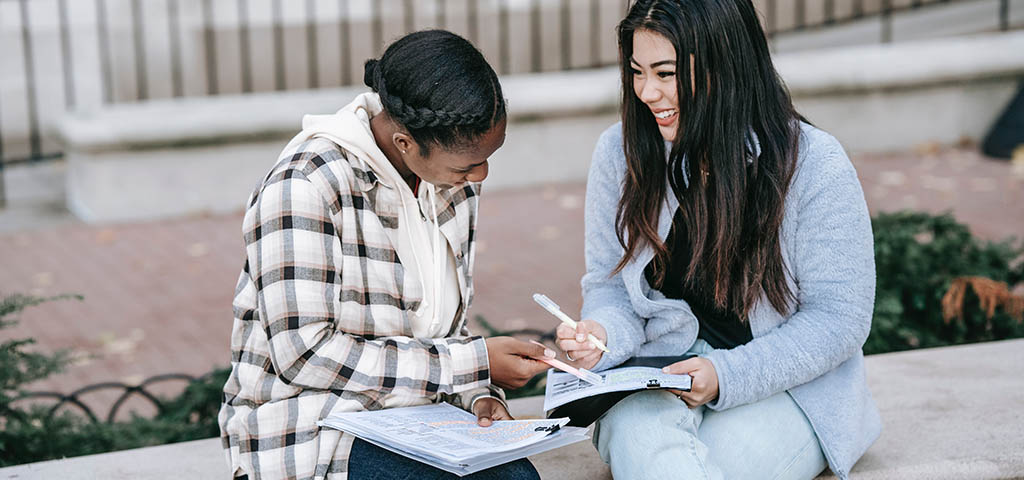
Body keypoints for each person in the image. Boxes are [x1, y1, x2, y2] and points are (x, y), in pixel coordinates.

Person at [555, 1, 881, 479]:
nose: (647, 92)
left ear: (724, 66)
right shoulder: (620, 153)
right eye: (637, 72)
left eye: (666, 73)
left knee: (709, 465)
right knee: (640, 435)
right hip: (657, 376)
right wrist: (602, 334)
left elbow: (840, 318)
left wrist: (726, 376)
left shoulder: (813, 165)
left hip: (784, 388)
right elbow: (608, 286)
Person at [219, 30, 553, 480]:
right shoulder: (304, 186)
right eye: (467, 165)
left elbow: (439, 330)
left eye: (490, 156)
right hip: (313, 429)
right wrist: (471, 362)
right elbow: (304, 354)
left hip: (414, 419)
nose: (482, 175)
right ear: (404, 143)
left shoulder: (449, 186)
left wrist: (479, 393)